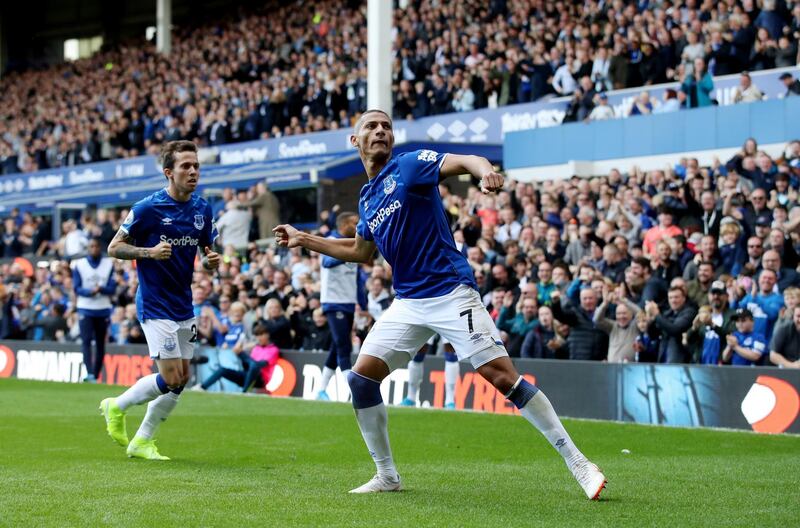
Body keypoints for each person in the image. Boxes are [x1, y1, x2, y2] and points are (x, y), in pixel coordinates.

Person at [273, 109, 606, 498]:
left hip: (450, 291)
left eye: (386, 126)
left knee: (502, 377)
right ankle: (387, 476)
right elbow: (361, 250)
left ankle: (579, 462)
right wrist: (305, 239)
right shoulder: (366, 197)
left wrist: (484, 172)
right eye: (371, 127)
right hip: (410, 300)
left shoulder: (410, 166)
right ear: (355, 140)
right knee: (361, 380)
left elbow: (463, 160)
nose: (380, 131)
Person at [99, 140, 221, 460]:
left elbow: (206, 251)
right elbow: (114, 248)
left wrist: (210, 261)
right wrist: (148, 253)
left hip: (183, 303)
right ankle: (117, 405)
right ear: (169, 172)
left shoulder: (202, 209)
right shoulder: (147, 209)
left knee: (181, 381)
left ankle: (141, 440)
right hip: (154, 304)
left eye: (196, 165)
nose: (193, 171)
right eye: (186, 166)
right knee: (170, 378)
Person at [316, 212, 361, 401]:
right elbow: (326, 262)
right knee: (344, 345)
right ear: (344, 224)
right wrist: (347, 254)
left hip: (349, 301)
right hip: (334, 301)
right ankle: (353, 389)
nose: (358, 225)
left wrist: (362, 303)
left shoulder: (355, 243)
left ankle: (321, 390)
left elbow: (356, 277)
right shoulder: (331, 240)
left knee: (337, 346)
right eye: (354, 223)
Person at [72, 237, 116, 382]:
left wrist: (101, 289)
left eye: (96, 246)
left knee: (100, 343)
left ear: (100, 248)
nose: (94, 249)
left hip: (102, 308)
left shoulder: (108, 264)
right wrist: (90, 292)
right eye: (91, 246)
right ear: (88, 248)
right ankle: (89, 373)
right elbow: (76, 288)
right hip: (85, 307)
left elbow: (112, 288)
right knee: (86, 341)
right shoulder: (79, 264)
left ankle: (96, 374)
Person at [193, 324, 280, 392]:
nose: (259, 338)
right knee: (223, 370)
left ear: (268, 335)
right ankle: (202, 387)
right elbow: (247, 365)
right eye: (257, 335)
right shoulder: (256, 348)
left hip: (261, 380)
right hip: (248, 376)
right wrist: (239, 353)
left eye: (261, 334)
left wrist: (242, 354)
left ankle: (244, 392)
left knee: (254, 366)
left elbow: (259, 365)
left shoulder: (273, 349)